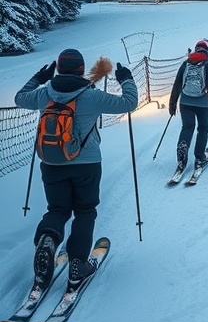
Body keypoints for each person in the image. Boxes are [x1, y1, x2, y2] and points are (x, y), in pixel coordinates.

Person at [15, 48, 138, 292]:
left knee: (58, 209)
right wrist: (126, 79)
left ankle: (48, 238)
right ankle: (77, 266)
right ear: (82, 69)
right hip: (87, 164)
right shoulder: (91, 96)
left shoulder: (43, 94)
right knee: (85, 210)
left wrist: (39, 78)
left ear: (58, 69)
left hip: (51, 163)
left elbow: (20, 97)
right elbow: (129, 103)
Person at [169, 39, 208, 172]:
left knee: (187, 127)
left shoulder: (186, 64)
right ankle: (199, 156)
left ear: (196, 50)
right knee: (203, 129)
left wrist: (172, 104)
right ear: (207, 50)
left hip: (185, 102)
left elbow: (177, 84)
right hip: (203, 104)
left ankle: (183, 148)